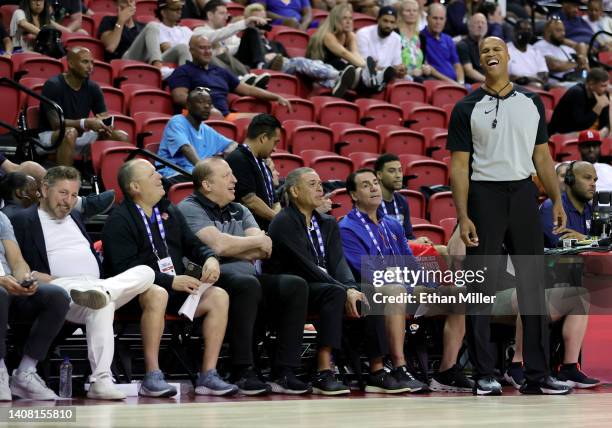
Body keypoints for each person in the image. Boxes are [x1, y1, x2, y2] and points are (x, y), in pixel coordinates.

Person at [447, 36, 571, 395]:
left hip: (523, 194)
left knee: (533, 286)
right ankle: (484, 373)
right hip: (483, 196)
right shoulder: (466, 107)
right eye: (483, 50)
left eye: (496, 49)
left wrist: (558, 202)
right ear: (480, 61)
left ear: (507, 56)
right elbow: (458, 167)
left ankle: (538, 373)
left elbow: (543, 158)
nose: (490, 54)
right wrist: (462, 215)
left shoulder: (532, 102)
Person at [10, 166, 171, 400]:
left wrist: (98, 287)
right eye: (63, 193)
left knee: (145, 272)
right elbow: (17, 265)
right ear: (44, 189)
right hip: (59, 287)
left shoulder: (75, 216)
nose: (68, 201)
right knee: (101, 302)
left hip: (93, 287)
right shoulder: (23, 219)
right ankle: (101, 378)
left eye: (74, 196)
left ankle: (100, 379)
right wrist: (43, 278)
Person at [102, 159, 241, 396]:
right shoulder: (119, 220)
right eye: (152, 174)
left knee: (219, 296)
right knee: (158, 293)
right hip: (134, 296)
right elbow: (124, 268)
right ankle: (152, 375)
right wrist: (169, 281)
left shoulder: (167, 211)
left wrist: (210, 258)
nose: (160, 178)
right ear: (135, 187)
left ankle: (208, 374)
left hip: (173, 289)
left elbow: (193, 244)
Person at [265, 167, 410, 394]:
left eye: (320, 183)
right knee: (334, 293)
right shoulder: (283, 222)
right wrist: (344, 289)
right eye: (312, 184)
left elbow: (338, 263)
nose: (320, 188)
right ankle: (324, 370)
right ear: (294, 191)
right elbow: (307, 266)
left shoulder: (327, 222)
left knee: (371, 291)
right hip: (293, 286)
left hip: (327, 284)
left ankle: (377, 370)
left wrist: (352, 287)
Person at [177, 157, 314, 394]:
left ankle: (284, 370)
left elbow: (266, 249)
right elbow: (218, 246)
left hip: (247, 278)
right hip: (206, 280)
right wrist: (251, 243)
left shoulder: (240, 208)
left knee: (295, 285)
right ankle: (242, 368)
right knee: (246, 284)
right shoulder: (189, 208)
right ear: (207, 185)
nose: (235, 180)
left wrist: (244, 246)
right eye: (227, 175)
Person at [339, 169, 470, 393]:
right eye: (365, 185)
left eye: (375, 183)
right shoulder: (346, 228)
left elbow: (410, 263)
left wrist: (434, 286)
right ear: (353, 194)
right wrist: (407, 283)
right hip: (373, 291)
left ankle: (446, 371)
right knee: (396, 289)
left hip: (405, 286)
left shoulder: (392, 224)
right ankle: (399, 366)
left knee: (458, 293)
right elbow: (367, 271)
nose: (373, 188)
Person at [446, 226, 600, 390]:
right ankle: (517, 364)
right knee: (528, 295)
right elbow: (456, 253)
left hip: (516, 293)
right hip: (488, 297)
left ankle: (569, 368)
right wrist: (463, 221)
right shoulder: (476, 220)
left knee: (579, 296)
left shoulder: (516, 223)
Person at [0, 211, 70, 400]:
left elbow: (17, 261)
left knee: (57, 296)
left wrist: (24, 279)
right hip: (1, 287)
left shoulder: (1, 218)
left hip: (10, 284)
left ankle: (25, 373)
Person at [235, 3, 358, 97]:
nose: (261, 23)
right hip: (254, 68)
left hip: (280, 68)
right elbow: (235, 52)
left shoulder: (276, 44)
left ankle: (335, 83)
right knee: (299, 61)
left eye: (263, 19)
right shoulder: (246, 36)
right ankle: (338, 75)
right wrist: (263, 58)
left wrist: (279, 60)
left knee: (304, 69)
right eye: (257, 20)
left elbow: (289, 62)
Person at [38, 47, 130, 166]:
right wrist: (85, 123)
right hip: (51, 136)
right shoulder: (53, 85)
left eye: (92, 62)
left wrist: (105, 126)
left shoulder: (93, 88)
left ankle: (111, 181)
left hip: (81, 135)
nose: (90, 66)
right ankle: (65, 181)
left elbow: (103, 116)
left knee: (122, 136)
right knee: (69, 133)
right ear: (70, 63)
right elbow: (56, 124)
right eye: (85, 62)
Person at [168, 35, 292, 119]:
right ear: (192, 51)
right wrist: (208, 109)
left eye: (209, 48)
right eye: (202, 48)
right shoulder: (182, 71)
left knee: (263, 120)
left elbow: (248, 89)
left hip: (225, 117)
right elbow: (180, 97)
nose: (207, 51)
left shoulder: (220, 71)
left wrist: (276, 97)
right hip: (197, 118)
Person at [305, 3, 393, 92]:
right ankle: (373, 81)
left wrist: (368, 67)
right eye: (344, 18)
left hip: (337, 69)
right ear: (336, 20)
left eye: (350, 18)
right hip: (321, 68)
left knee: (352, 67)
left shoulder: (350, 35)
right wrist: (366, 67)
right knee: (345, 66)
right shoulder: (328, 36)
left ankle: (375, 80)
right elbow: (345, 54)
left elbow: (355, 54)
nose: (348, 21)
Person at [156, 88, 237, 183]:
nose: (207, 106)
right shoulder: (177, 121)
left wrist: (228, 152)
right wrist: (205, 172)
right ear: (188, 105)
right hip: (175, 174)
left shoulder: (206, 129)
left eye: (209, 103)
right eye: (201, 102)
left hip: (198, 176)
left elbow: (233, 144)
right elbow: (186, 147)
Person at [374, 153, 446, 256]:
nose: (398, 175)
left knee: (444, 251)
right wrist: (413, 243)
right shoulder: (371, 202)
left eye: (400, 170)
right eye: (392, 171)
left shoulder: (402, 201)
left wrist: (419, 241)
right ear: (379, 175)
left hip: (403, 250)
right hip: (382, 253)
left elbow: (408, 235)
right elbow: (376, 239)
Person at [226, 114, 281, 231]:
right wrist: (278, 220)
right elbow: (250, 200)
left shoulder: (262, 163)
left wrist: (277, 221)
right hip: (247, 232)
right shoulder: (238, 159)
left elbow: (275, 201)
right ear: (263, 138)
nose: (275, 148)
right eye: (275, 142)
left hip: (267, 228)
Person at [193, 0, 266, 77]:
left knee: (251, 31)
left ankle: (260, 66)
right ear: (210, 15)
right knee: (221, 55)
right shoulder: (199, 31)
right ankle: (247, 75)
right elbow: (217, 35)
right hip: (220, 68)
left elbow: (238, 45)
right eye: (222, 13)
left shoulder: (226, 33)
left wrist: (227, 49)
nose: (226, 17)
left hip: (235, 62)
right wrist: (245, 22)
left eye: (226, 13)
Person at [539, 161, 597, 247]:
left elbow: (606, 241)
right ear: (570, 180)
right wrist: (592, 240)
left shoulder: (592, 208)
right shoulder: (552, 206)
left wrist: (585, 238)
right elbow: (559, 244)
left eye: (595, 180)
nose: (593, 184)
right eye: (587, 178)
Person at [548, 68, 611, 137]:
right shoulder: (577, 93)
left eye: (607, 85)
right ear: (591, 84)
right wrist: (599, 107)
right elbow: (580, 124)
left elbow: (605, 123)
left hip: (581, 134)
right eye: (603, 86)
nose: (606, 89)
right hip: (559, 134)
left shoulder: (602, 94)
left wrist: (604, 131)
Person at [419, 3, 465, 86]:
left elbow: (457, 65)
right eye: (435, 18)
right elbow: (429, 69)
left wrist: (461, 83)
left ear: (445, 20)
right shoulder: (421, 38)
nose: (438, 22)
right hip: (436, 82)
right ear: (427, 18)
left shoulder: (448, 39)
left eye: (441, 19)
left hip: (454, 83)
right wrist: (453, 84)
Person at [534, 19, 589, 87]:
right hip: (557, 84)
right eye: (558, 30)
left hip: (575, 80)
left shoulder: (564, 48)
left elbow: (584, 65)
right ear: (548, 32)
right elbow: (554, 65)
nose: (563, 33)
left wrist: (581, 63)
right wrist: (577, 63)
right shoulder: (539, 46)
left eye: (563, 30)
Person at [356, 7, 407, 80]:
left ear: (395, 24)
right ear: (378, 19)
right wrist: (392, 70)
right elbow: (365, 65)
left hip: (387, 77)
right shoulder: (363, 34)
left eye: (392, 22)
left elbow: (396, 65)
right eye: (385, 21)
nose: (388, 25)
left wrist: (400, 70)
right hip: (365, 76)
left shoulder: (397, 38)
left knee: (408, 79)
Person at [508, 20, 550, 88]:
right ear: (514, 32)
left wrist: (530, 80)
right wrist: (529, 80)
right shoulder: (505, 50)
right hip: (515, 88)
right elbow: (507, 77)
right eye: (523, 30)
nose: (526, 32)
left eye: (529, 30)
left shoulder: (536, 51)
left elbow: (544, 75)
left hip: (538, 86)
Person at [396, 0, 430, 81]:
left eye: (415, 11)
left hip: (419, 77)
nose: (412, 13)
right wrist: (410, 72)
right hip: (400, 77)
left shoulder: (422, 37)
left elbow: (423, 63)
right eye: (408, 11)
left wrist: (425, 69)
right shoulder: (395, 34)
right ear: (401, 13)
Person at [456, 13, 487, 84]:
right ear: (469, 26)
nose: (480, 25)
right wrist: (490, 82)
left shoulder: (489, 44)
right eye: (477, 23)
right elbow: (469, 71)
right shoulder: (462, 45)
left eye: (483, 23)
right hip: (474, 85)